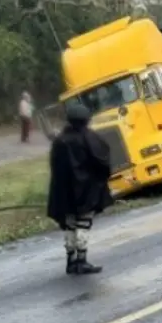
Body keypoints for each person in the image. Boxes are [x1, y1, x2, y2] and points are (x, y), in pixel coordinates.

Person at [46, 103, 114, 275]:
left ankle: (71, 262)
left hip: (63, 190)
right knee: (83, 222)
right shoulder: (89, 138)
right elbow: (103, 161)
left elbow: (54, 166)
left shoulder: (59, 141)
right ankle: (82, 260)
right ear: (86, 119)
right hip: (85, 189)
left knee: (69, 223)